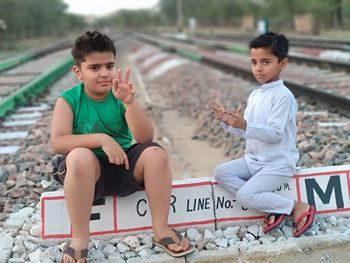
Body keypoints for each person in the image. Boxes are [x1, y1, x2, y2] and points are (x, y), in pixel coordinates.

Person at [50, 31, 195, 263]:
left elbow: (145, 137)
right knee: (78, 156)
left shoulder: (120, 94)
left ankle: (161, 229)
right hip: (87, 175)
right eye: (95, 68)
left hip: (123, 166)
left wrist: (129, 102)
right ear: (78, 72)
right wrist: (101, 139)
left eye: (109, 66)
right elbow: (58, 142)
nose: (104, 73)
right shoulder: (69, 100)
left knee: (156, 154)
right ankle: (79, 238)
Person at [212, 32, 316, 237]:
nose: (258, 68)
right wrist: (229, 123)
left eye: (265, 62)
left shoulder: (283, 96)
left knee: (245, 196)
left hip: (277, 164)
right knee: (220, 173)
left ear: (282, 63)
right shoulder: (256, 94)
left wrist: (245, 124)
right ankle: (272, 205)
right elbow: (249, 132)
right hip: (254, 160)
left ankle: (296, 207)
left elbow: (275, 134)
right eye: (254, 62)